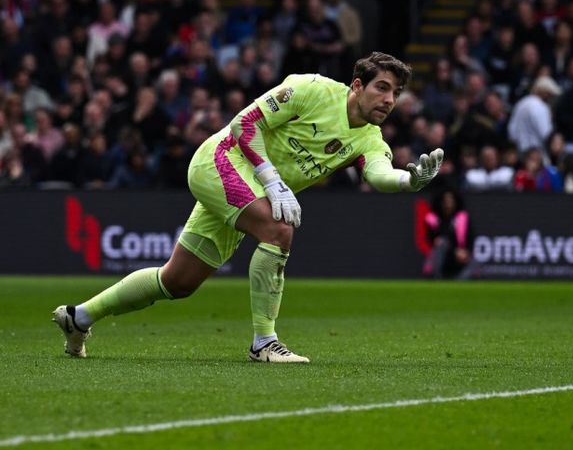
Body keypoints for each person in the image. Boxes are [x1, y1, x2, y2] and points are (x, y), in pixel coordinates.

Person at [52, 52, 444, 363]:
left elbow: (378, 175)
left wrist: (411, 181)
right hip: (221, 161)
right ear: (357, 85)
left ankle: (79, 317)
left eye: (396, 93)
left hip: (249, 188)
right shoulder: (310, 88)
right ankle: (264, 342)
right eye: (382, 87)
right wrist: (273, 181)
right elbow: (244, 124)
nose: (390, 99)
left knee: (178, 282)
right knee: (279, 229)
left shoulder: (370, 139)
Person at [421, 188, 472, 279]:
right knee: (442, 244)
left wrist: (465, 252)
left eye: (451, 200)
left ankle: (459, 282)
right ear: (441, 202)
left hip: (459, 256)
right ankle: (437, 278)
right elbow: (435, 239)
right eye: (446, 201)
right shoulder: (434, 219)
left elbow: (471, 238)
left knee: (476, 260)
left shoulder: (463, 218)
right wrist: (455, 251)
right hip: (442, 256)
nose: (448, 204)